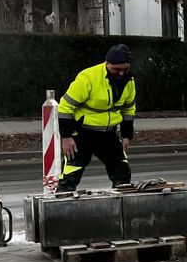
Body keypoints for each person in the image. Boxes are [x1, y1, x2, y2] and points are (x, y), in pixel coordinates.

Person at [57, 44, 136, 192]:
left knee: (122, 174)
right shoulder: (88, 77)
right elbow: (65, 107)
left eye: (125, 69)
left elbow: (129, 109)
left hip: (108, 134)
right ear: (107, 63)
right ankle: (62, 200)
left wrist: (126, 135)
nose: (121, 73)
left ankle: (122, 203)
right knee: (70, 176)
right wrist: (66, 137)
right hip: (82, 133)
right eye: (117, 69)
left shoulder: (129, 81)